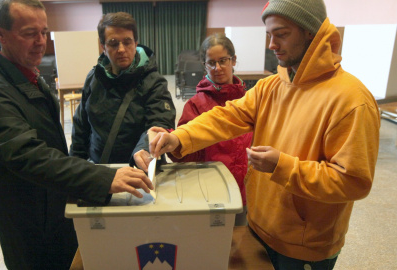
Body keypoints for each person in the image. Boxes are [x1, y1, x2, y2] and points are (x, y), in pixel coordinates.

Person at [150, 0, 380, 269]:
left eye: (281, 34)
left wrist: (282, 166)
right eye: (269, 35)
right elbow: (226, 116)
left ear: (311, 33)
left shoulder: (351, 99)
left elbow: (353, 181)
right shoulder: (271, 85)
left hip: (304, 246)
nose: (271, 44)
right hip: (258, 227)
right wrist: (180, 137)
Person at [0, 1, 153, 269]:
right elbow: (29, 155)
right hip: (28, 221)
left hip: (54, 206)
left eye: (44, 32)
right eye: (30, 33)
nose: (41, 42)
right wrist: (103, 176)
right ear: (0, 34)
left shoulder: (29, 77)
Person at [156, 33, 252, 225]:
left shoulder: (249, 102)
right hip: (210, 191)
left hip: (246, 191)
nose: (217, 68)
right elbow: (186, 156)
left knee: (240, 244)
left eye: (223, 61)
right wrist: (174, 145)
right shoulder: (195, 104)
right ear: (204, 65)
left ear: (233, 60)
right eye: (211, 63)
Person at [70, 12, 175, 169]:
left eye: (127, 42)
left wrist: (144, 149)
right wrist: (75, 164)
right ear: (103, 47)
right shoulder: (94, 78)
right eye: (113, 43)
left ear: (136, 43)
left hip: (138, 170)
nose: (121, 49)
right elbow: (81, 126)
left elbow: (160, 122)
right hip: (101, 171)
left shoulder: (153, 81)